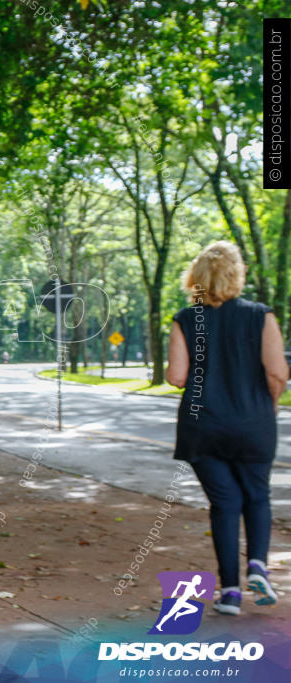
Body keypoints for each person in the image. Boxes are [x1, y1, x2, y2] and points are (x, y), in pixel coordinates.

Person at [165, 241, 289, 616]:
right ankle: (258, 566)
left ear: (196, 278)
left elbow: (176, 376)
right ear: (238, 274)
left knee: (224, 504)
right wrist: (266, 401)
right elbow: (277, 372)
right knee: (257, 495)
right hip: (253, 424)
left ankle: (231, 593)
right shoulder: (261, 316)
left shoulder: (185, 319)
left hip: (203, 426)